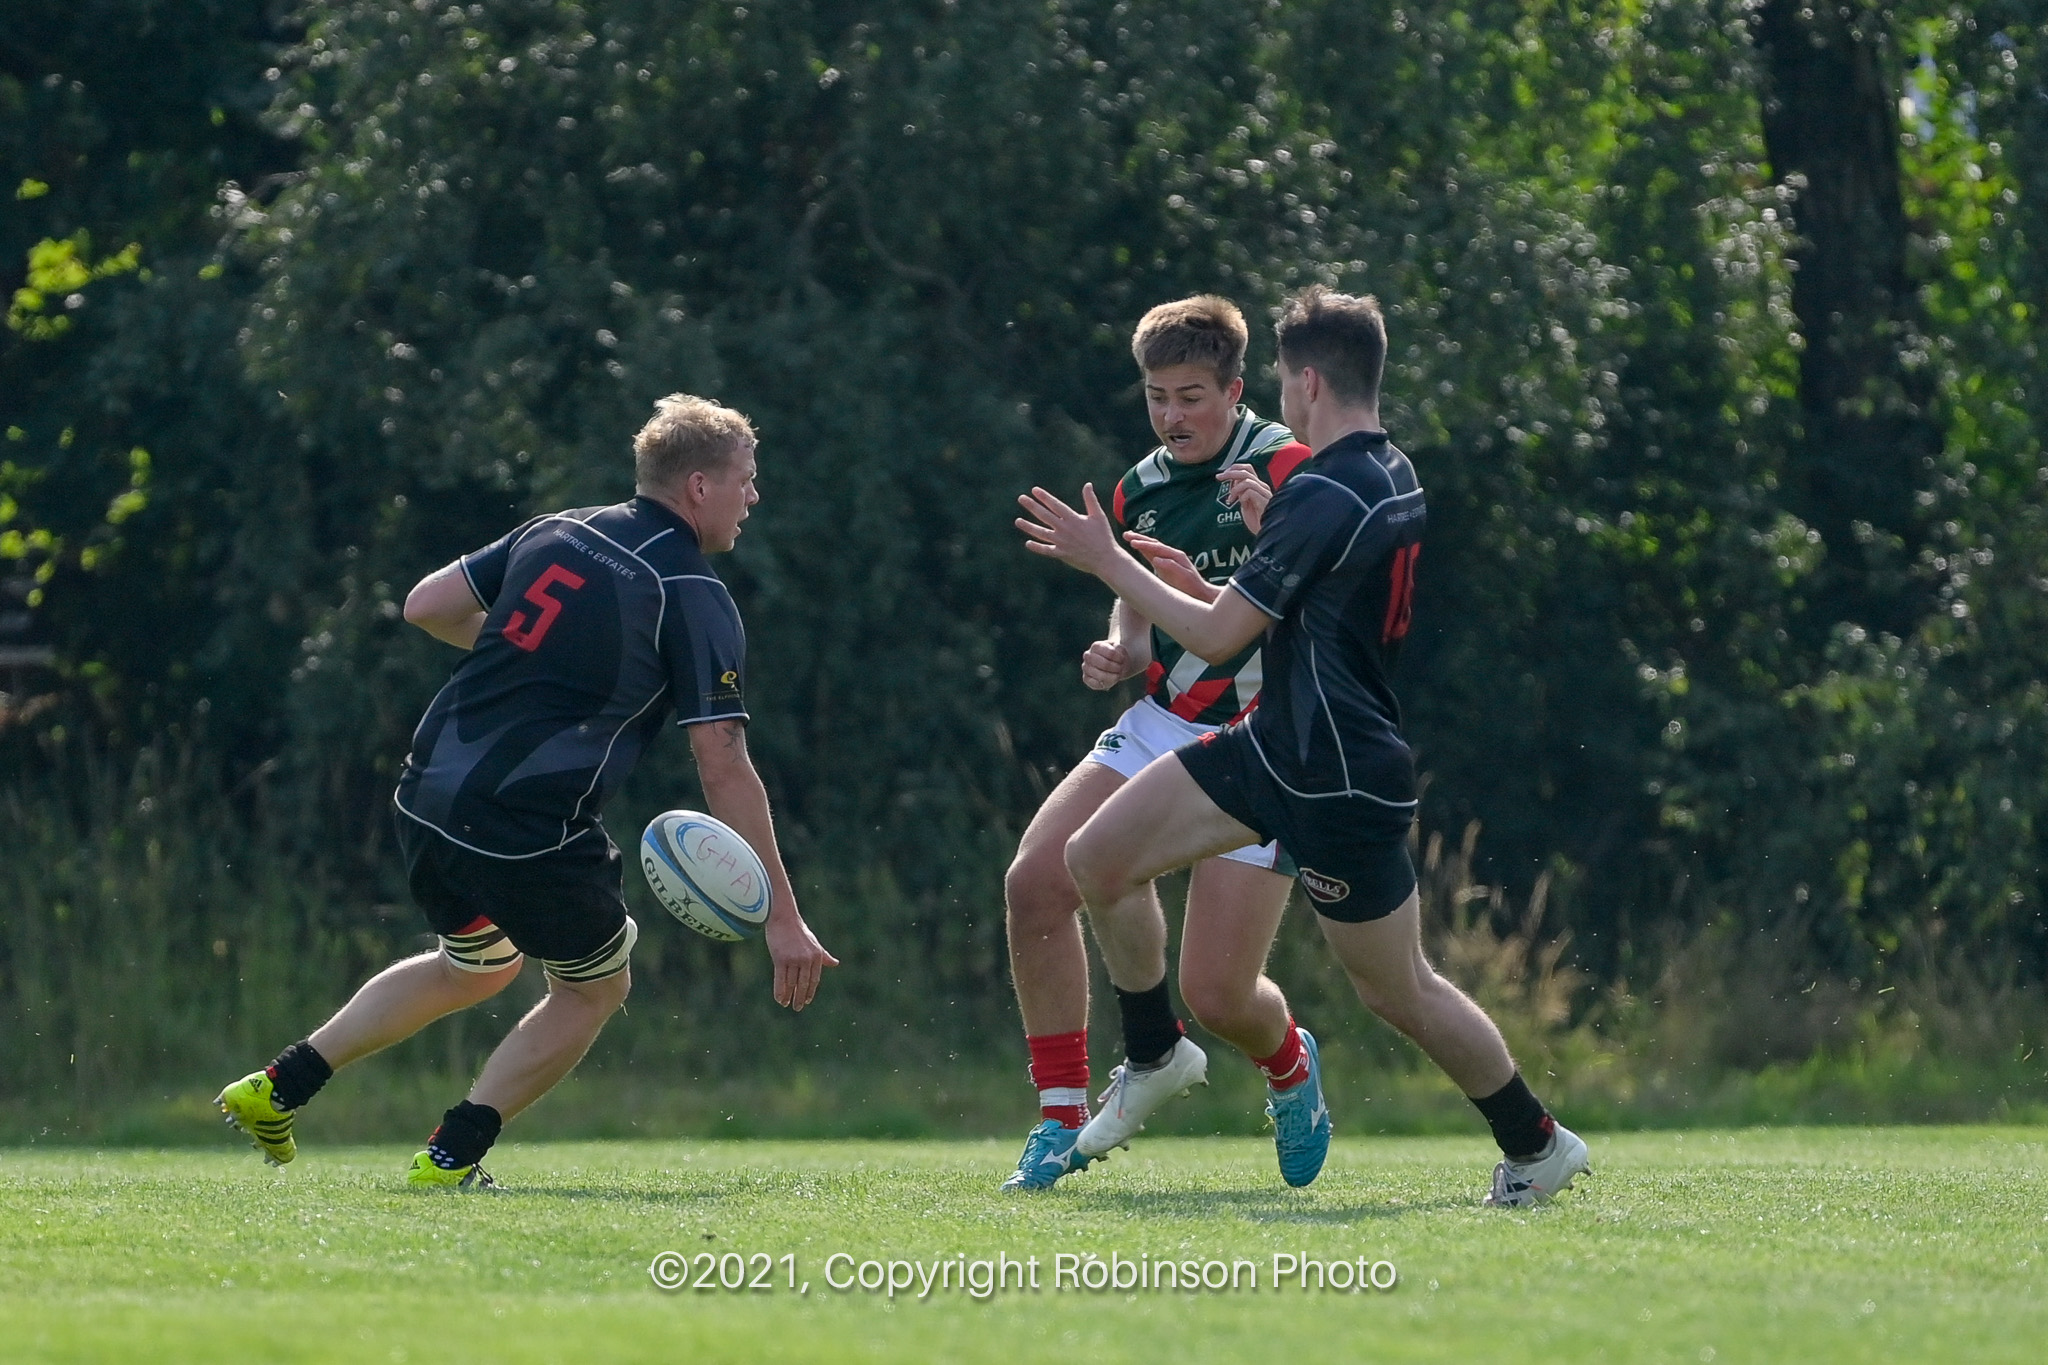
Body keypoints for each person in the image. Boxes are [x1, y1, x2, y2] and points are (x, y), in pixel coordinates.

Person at [1016, 286, 1590, 1206]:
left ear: (1307, 380)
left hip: (1331, 775)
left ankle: (1537, 1140)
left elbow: (1218, 636)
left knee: (1399, 989)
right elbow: (1316, 602)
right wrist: (1253, 539)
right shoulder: (1390, 471)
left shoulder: (1320, 489)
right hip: (1273, 746)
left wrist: (1107, 560)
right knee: (1096, 858)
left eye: (1281, 379)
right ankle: (1156, 1050)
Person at [216, 394, 836, 1188]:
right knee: (596, 986)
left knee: (475, 965)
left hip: (426, 793)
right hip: (526, 828)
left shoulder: (559, 528)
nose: (754, 496)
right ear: (698, 487)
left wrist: (531, 658)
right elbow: (723, 761)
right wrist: (783, 915)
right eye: (745, 480)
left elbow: (426, 605)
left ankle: (280, 1086)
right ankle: (451, 1153)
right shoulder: (691, 588)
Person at [1001, 295, 1333, 1194]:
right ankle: (1064, 1109)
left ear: (1235, 390)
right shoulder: (1139, 484)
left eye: (1192, 396)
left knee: (1221, 993)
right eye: (1156, 396)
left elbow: (1318, 614)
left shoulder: (1289, 468)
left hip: (1262, 738)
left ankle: (1289, 1063)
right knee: (1037, 883)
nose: (1172, 416)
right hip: (1163, 721)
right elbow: (1140, 590)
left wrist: (1264, 536)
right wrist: (1127, 647)